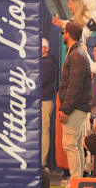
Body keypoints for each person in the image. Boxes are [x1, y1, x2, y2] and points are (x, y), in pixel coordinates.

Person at [58, 21, 92, 187]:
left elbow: (74, 85)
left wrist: (65, 108)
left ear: (68, 35)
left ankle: (75, 180)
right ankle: (77, 180)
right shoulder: (77, 52)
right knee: (76, 144)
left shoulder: (77, 55)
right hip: (79, 107)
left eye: (64, 32)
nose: (63, 35)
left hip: (75, 108)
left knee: (70, 145)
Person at [41, 37, 58, 171]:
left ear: (47, 48)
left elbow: (41, 80)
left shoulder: (48, 62)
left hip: (45, 100)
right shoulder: (40, 61)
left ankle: (42, 161)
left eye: (41, 47)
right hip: (38, 100)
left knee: (44, 131)